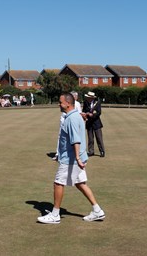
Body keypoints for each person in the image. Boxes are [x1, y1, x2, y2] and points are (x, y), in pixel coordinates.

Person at [37, 92, 105, 224]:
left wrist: (78, 159)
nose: (59, 104)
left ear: (68, 103)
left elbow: (76, 140)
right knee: (80, 183)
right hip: (73, 158)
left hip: (71, 159)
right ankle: (97, 211)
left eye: (60, 102)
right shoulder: (75, 116)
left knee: (58, 183)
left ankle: (55, 214)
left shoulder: (72, 119)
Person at [81, 91, 105, 157]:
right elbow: (84, 110)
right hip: (89, 122)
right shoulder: (85, 102)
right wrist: (85, 114)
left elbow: (99, 112)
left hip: (96, 123)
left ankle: (102, 151)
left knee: (99, 138)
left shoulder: (97, 102)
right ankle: (91, 151)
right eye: (87, 97)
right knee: (90, 138)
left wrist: (93, 115)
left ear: (92, 98)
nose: (87, 98)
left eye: (88, 97)